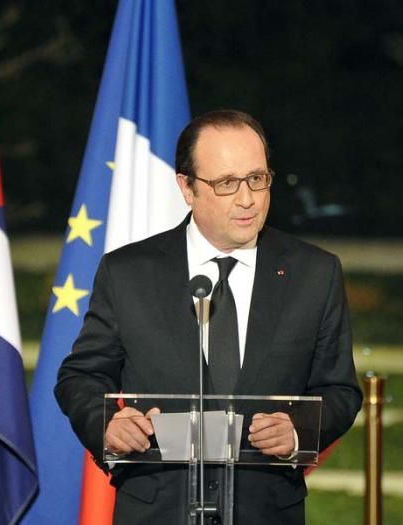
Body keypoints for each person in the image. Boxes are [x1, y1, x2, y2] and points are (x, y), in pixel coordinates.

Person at [55, 109, 362, 524]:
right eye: (226, 183)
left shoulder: (315, 273)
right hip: (157, 510)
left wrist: (297, 431)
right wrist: (106, 424)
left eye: (257, 178)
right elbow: (81, 376)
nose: (247, 198)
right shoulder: (129, 272)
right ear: (187, 187)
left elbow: (339, 390)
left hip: (266, 511)